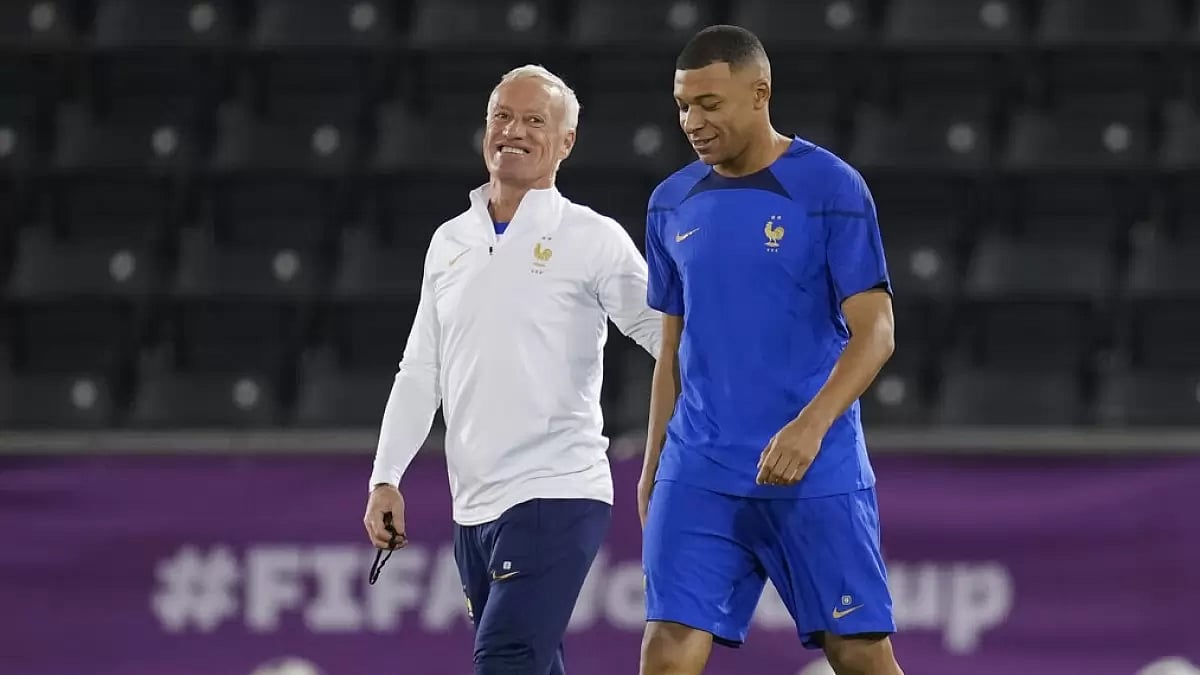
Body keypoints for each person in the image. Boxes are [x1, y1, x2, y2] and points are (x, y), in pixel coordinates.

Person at [362, 65, 661, 674]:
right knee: (532, 664)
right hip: (472, 506)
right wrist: (385, 477)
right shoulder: (450, 241)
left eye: (533, 121)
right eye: (501, 117)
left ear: (566, 142)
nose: (513, 131)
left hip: (558, 490)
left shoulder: (592, 237)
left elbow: (668, 335)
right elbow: (420, 369)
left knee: (505, 659)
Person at [638, 26, 904, 675]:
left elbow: (876, 331)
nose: (692, 123)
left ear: (760, 94)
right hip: (699, 467)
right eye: (683, 106)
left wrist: (810, 428)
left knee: (859, 654)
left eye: (709, 104)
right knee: (667, 649)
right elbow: (671, 346)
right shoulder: (669, 202)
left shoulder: (831, 188)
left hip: (814, 467)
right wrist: (654, 464)